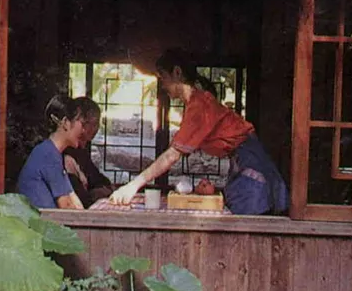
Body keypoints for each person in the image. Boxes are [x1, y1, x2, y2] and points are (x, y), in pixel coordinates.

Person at [108, 49, 289, 215]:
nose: (162, 84)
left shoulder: (199, 105)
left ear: (177, 72)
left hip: (250, 162)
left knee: (249, 220)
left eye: (163, 77)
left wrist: (132, 186)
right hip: (242, 158)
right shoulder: (197, 103)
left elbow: (171, 156)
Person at [15, 95, 89, 210]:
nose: (84, 130)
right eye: (82, 124)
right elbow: (67, 207)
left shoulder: (51, 152)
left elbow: (74, 200)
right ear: (65, 122)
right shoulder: (48, 155)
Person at [63, 97, 114, 208]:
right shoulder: (65, 155)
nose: (95, 128)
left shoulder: (81, 152)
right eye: (91, 123)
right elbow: (81, 198)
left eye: (97, 123)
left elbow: (100, 180)